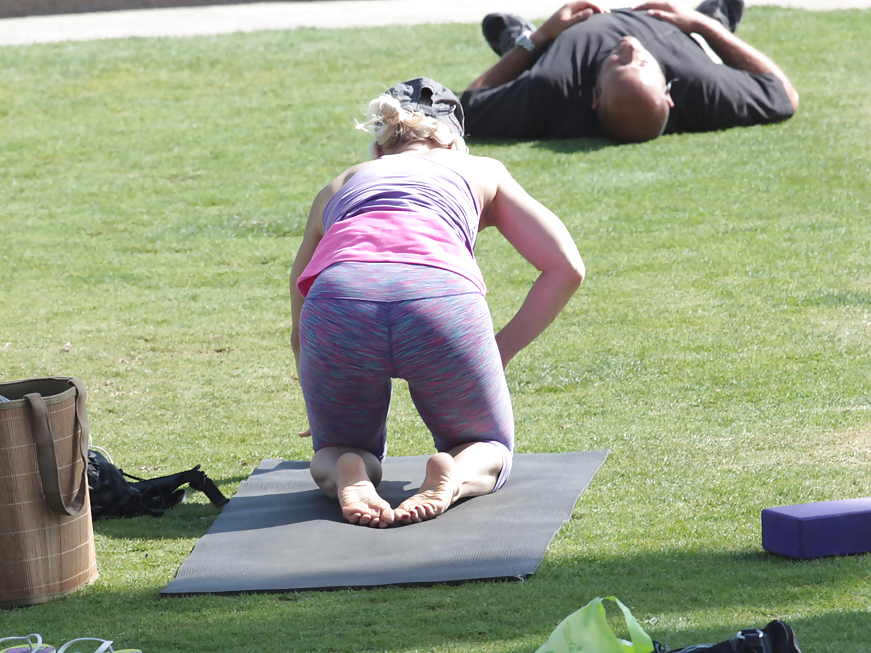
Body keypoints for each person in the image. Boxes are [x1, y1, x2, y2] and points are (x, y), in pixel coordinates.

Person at [289, 78, 585, 528]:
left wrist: (318, 391)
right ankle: (457, 472)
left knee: (333, 449)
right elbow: (566, 267)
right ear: (452, 139)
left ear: (380, 148)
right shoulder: (482, 169)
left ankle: (350, 467)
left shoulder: (343, 181)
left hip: (339, 299)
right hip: (438, 297)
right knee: (485, 444)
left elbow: (299, 293)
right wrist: (499, 351)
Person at [462, 0, 799, 143]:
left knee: (530, 54)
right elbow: (783, 94)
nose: (631, 47)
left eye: (619, 63)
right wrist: (703, 26)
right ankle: (715, 17)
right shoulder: (699, 86)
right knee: (711, 32)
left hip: (562, 40)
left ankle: (519, 40)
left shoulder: (553, 87)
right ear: (669, 93)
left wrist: (540, 38)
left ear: (594, 96)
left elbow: (469, 105)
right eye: (639, 63)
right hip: (678, 36)